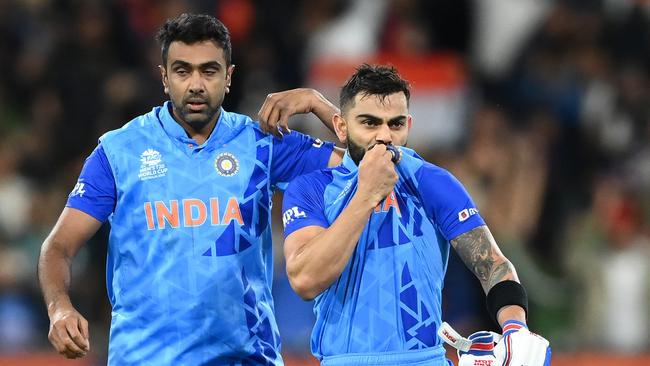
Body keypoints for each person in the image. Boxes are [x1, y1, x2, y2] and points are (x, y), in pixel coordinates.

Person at [38, 13, 342, 365]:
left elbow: (373, 166)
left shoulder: (263, 142)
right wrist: (59, 307)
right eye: (182, 71)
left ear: (228, 77)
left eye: (209, 71)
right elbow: (58, 246)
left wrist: (319, 104)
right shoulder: (119, 151)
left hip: (245, 358)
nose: (196, 84)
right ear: (165, 78)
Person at [281, 64, 550, 365]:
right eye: (369, 123)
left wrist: (516, 329)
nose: (384, 136)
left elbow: (493, 265)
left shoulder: (431, 181)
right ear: (341, 127)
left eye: (395, 124)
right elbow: (305, 279)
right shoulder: (311, 189)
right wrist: (367, 195)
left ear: (408, 124)